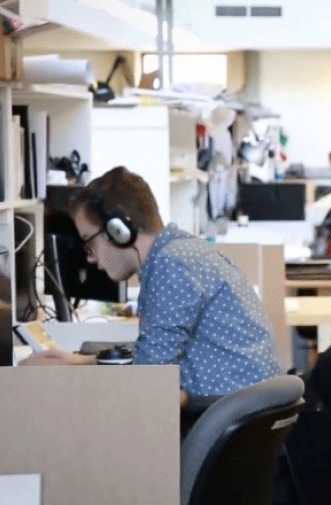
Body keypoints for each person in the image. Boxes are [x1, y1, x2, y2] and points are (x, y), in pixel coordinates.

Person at [21, 166, 281, 404]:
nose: (89, 257)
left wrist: (65, 379)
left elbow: (148, 379)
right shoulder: (179, 252)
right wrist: (79, 362)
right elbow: (155, 351)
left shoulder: (172, 265)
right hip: (234, 412)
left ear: (119, 231)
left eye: (89, 242)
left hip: (217, 418)